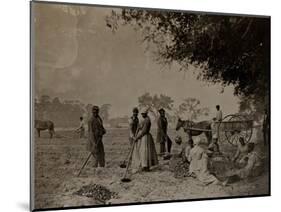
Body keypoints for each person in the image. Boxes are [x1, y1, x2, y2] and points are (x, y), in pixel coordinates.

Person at [131, 107, 158, 172]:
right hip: (143, 137)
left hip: (145, 137)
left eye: (143, 114)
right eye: (142, 114)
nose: (142, 115)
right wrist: (140, 127)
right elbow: (142, 128)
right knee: (142, 151)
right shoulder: (145, 119)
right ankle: (144, 165)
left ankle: (145, 166)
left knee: (145, 151)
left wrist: (137, 137)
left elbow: (144, 131)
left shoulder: (147, 120)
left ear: (146, 113)